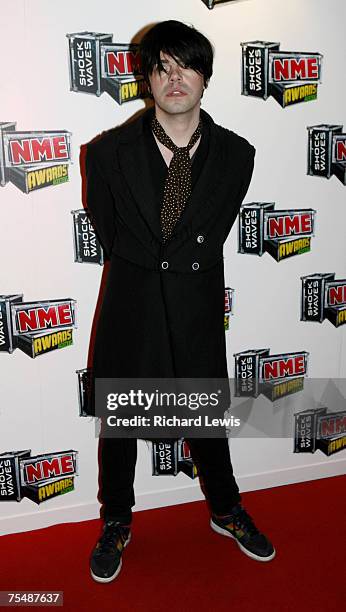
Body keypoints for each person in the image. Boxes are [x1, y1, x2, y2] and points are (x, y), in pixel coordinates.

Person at [85, 20, 275, 583]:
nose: (174, 78)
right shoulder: (106, 154)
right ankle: (116, 519)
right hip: (131, 297)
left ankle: (225, 508)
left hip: (195, 301)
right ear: (147, 78)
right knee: (119, 418)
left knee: (206, 415)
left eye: (186, 65)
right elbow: (108, 228)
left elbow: (210, 230)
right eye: (161, 67)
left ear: (205, 76)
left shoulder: (238, 155)